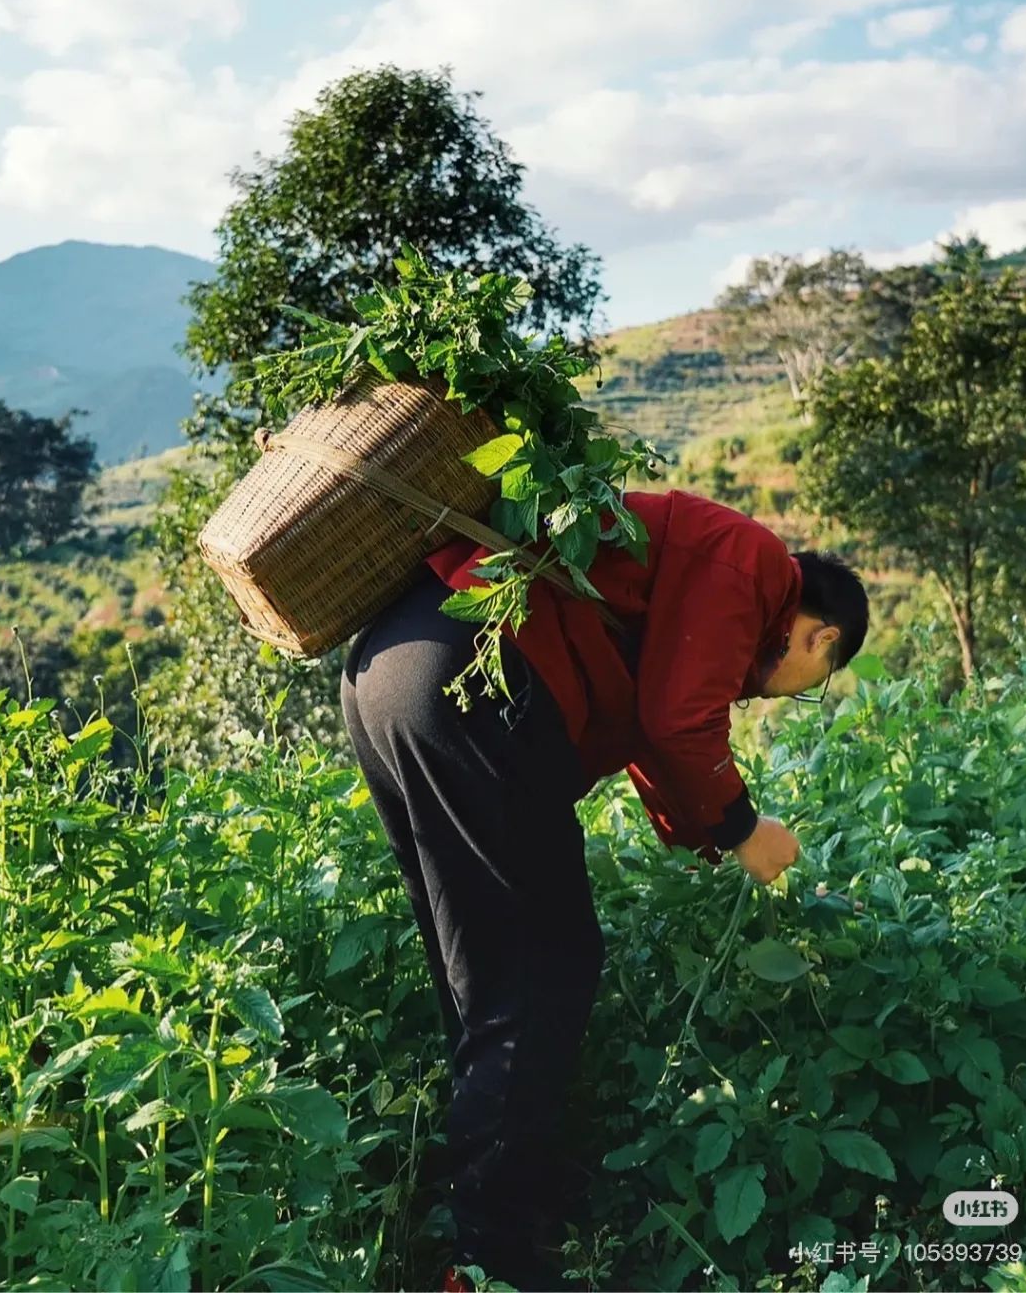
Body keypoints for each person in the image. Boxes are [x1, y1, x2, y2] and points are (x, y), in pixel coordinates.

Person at [339, 487, 869, 1292]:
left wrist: (711, 838)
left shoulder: (711, 572)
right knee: (548, 967)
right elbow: (675, 717)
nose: (779, 692)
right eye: (809, 679)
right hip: (477, 683)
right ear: (822, 636)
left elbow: (658, 731)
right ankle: (493, 1264)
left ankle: (504, 1206)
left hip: (388, 674)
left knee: (479, 967)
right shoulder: (756, 565)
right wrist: (744, 830)